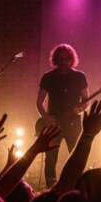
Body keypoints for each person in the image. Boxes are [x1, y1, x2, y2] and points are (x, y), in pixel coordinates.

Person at [36, 43, 88, 187]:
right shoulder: (48, 77)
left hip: (73, 123)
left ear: (71, 59)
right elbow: (39, 102)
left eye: (67, 58)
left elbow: (86, 101)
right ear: (56, 60)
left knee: (77, 156)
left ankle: (77, 187)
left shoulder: (80, 76)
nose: (64, 62)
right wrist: (46, 117)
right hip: (53, 123)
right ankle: (50, 189)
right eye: (61, 59)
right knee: (51, 158)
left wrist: (81, 108)